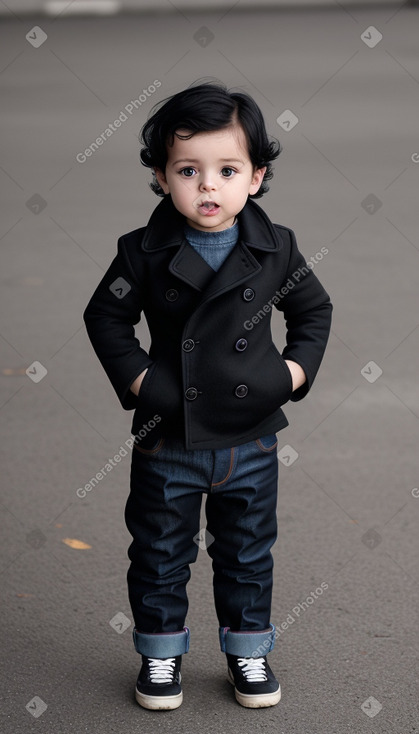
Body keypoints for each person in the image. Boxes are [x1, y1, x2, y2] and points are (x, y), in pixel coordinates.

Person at [83, 80, 332, 711]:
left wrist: (293, 375)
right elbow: (105, 319)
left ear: (256, 177)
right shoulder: (140, 253)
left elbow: (314, 310)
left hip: (250, 435)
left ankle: (248, 647)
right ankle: (161, 651)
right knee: (161, 549)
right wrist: (144, 383)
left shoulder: (277, 249)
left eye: (227, 170)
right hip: (168, 435)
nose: (207, 187)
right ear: (163, 178)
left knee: (248, 550)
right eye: (188, 170)